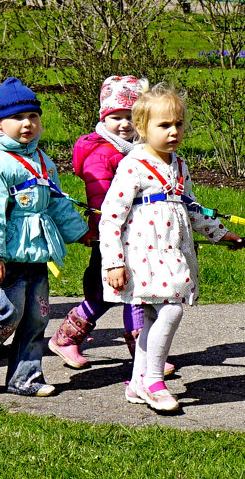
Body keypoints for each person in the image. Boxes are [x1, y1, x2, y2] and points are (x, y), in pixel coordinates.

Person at [99, 87, 243, 413]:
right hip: (142, 256)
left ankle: (138, 383)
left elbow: (191, 207)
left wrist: (221, 234)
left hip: (172, 252)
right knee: (171, 310)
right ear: (141, 127)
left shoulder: (179, 165)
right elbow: (110, 219)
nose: (174, 131)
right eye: (164, 125)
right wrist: (113, 263)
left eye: (178, 123)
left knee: (154, 315)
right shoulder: (133, 166)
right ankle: (154, 381)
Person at [0, 78, 92, 397]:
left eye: (33, 117)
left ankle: (25, 377)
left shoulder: (42, 161)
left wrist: (80, 233)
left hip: (36, 255)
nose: (27, 124)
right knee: (8, 315)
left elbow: (57, 202)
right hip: (9, 258)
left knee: (37, 317)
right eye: (17, 118)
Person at [49, 75, 162, 371]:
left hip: (138, 235)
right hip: (111, 234)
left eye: (130, 117)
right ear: (104, 117)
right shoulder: (101, 153)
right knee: (109, 294)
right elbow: (99, 196)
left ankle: (141, 354)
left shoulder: (138, 151)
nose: (124, 124)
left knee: (135, 293)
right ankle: (66, 339)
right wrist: (102, 226)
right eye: (116, 117)